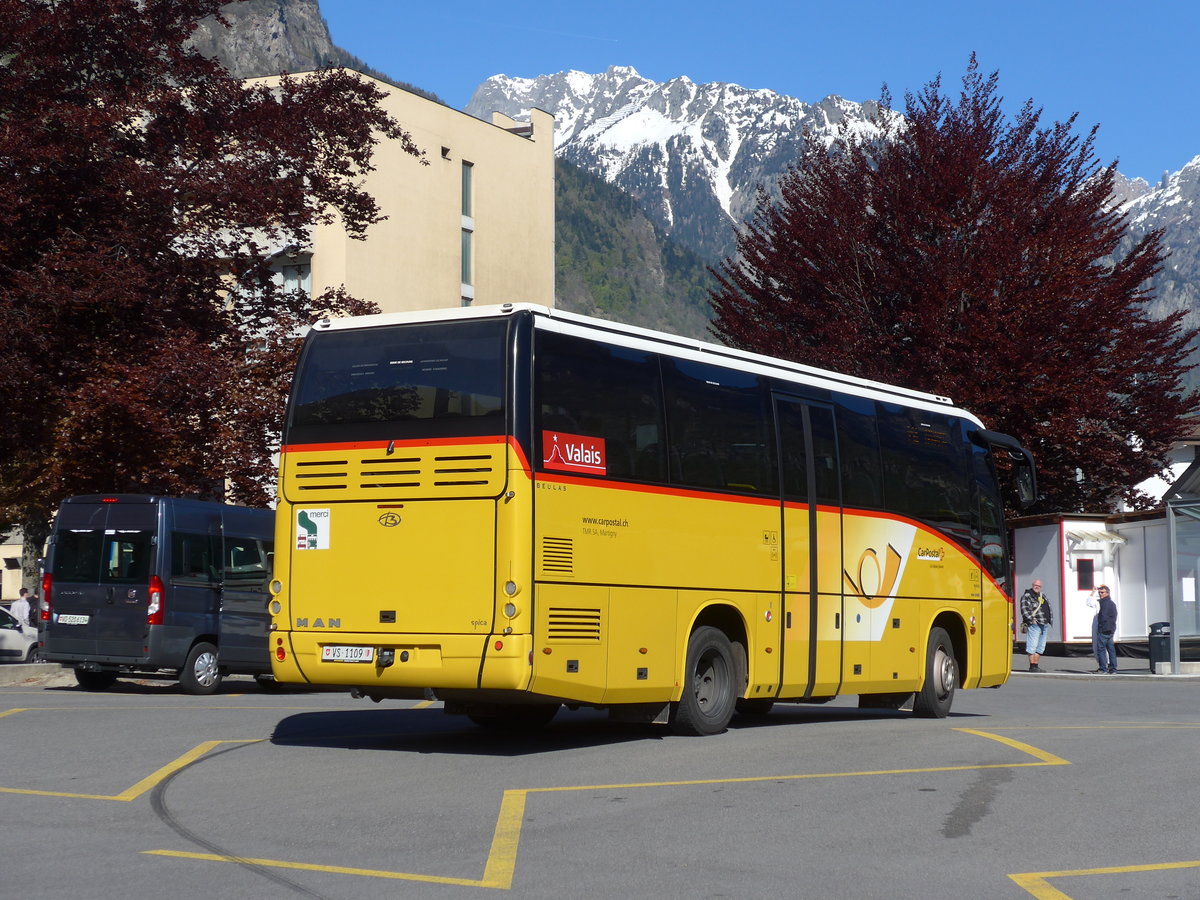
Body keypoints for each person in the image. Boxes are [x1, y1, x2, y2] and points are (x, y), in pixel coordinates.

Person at [1019, 579, 1053, 671]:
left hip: (1044, 624)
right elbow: (1024, 610)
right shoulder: (1027, 596)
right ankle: (1032, 666)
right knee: (1032, 645)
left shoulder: (1042, 595)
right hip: (1035, 624)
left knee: (1041, 646)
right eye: (1035, 585)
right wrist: (1031, 620)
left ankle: (1036, 665)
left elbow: (1048, 608)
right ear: (1032, 585)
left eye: (1039, 586)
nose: (1037, 587)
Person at [1094, 585, 1119, 674]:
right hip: (1111, 629)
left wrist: (1100, 627)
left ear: (1107, 593)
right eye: (1099, 592)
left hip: (1104, 629)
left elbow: (1103, 617)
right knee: (1111, 649)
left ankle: (1103, 668)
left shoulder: (1105, 603)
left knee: (1101, 649)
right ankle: (1113, 669)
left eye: (1102, 592)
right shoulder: (1111, 603)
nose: (1100, 594)